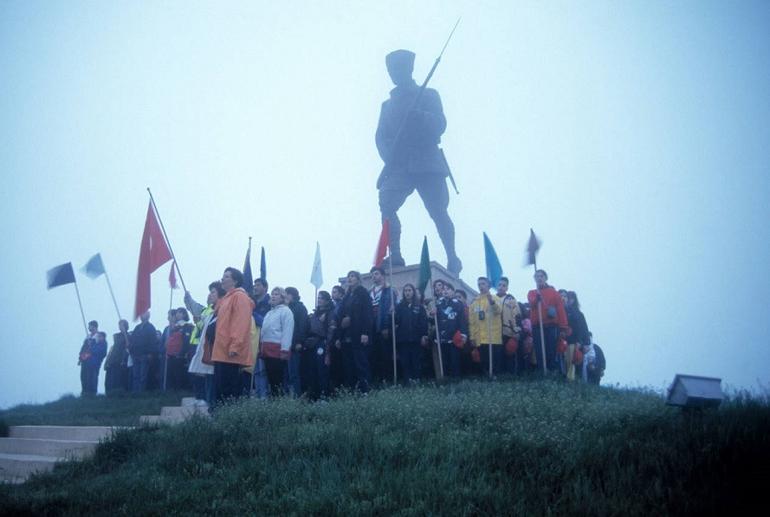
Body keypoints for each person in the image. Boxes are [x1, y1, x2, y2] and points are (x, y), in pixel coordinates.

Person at [375, 49, 462, 275]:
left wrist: (422, 117)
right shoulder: (387, 106)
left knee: (438, 211)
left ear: (409, 69)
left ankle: (452, 256)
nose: (395, 74)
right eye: (391, 70)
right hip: (400, 164)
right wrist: (390, 157)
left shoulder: (428, 94)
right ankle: (395, 254)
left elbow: (441, 123)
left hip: (427, 160)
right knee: (386, 202)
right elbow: (381, 137)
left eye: (399, 69)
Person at [211, 267, 255, 405]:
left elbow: (240, 324)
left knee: (228, 390)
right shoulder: (226, 298)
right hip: (220, 351)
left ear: (235, 281)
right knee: (220, 389)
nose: (223, 279)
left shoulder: (240, 297)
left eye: (227, 277)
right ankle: (219, 418)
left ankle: (228, 419)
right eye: (223, 276)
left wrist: (235, 346)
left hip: (230, 353)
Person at [185, 281, 225, 406]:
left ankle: (209, 402)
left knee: (211, 377)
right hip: (203, 347)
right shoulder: (208, 311)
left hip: (214, 349)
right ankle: (204, 399)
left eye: (213, 292)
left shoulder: (222, 310)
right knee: (205, 375)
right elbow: (195, 309)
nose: (210, 295)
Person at [335, 271, 373, 392]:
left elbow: (367, 314)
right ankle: (351, 391)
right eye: (348, 277)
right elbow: (340, 315)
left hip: (358, 334)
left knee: (361, 364)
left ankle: (365, 390)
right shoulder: (346, 296)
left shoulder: (363, 293)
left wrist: (365, 332)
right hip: (346, 335)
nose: (350, 279)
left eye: (352, 276)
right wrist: (338, 337)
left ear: (358, 279)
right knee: (348, 365)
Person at [526, 270, 570, 374]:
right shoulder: (532, 293)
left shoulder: (554, 293)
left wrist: (563, 327)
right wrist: (537, 299)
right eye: (537, 277)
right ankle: (542, 370)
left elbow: (560, 310)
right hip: (537, 326)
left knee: (551, 349)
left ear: (546, 278)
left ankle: (551, 370)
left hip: (551, 325)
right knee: (539, 349)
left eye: (541, 276)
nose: (539, 278)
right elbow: (531, 303)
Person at [260, 287, 294, 396]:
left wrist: (284, 350)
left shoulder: (286, 311)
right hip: (267, 350)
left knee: (277, 380)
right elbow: (264, 331)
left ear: (282, 297)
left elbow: (287, 332)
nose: (273, 296)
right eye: (272, 294)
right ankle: (273, 401)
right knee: (270, 379)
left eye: (277, 294)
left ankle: (278, 401)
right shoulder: (269, 313)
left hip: (277, 351)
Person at [302, 291, 336, 400]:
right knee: (313, 370)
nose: (319, 300)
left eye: (321, 298)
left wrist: (328, 347)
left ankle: (324, 395)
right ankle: (314, 395)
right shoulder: (315, 313)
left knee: (322, 371)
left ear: (326, 300)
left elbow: (331, 330)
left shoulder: (330, 313)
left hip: (323, 343)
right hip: (312, 344)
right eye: (318, 298)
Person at [469, 277, 503, 377]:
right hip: (480, 338)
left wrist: (491, 301)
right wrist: (472, 337)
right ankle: (487, 378)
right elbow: (472, 322)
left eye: (483, 284)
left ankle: (496, 379)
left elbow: (498, 311)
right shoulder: (474, 302)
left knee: (495, 362)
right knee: (484, 362)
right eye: (479, 284)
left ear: (488, 285)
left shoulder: (495, 298)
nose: (481, 286)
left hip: (493, 337)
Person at [394, 283, 428, 383]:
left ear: (413, 292)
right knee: (405, 360)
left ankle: (416, 378)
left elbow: (423, 322)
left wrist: (423, 335)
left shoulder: (419, 307)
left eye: (409, 290)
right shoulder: (399, 307)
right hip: (403, 338)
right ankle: (407, 379)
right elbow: (396, 322)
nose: (407, 293)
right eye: (405, 291)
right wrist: (391, 314)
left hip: (416, 338)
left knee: (416, 360)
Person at [369, 266, 395, 385]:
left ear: (382, 275)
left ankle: (387, 379)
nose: (374, 276)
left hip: (383, 324)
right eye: (373, 275)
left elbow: (389, 310)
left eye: (376, 274)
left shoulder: (389, 290)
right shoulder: (370, 291)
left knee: (385, 353)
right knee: (374, 353)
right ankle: (377, 379)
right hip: (371, 325)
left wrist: (386, 326)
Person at [435, 282, 467, 378]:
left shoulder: (458, 304)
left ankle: (456, 379)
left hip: (454, 337)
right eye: (444, 289)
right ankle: (445, 380)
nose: (445, 291)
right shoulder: (437, 303)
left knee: (455, 360)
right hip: (441, 337)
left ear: (452, 291)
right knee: (444, 360)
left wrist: (463, 334)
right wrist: (432, 315)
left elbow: (462, 320)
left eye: (448, 289)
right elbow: (434, 320)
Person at [248, 278, 271, 398]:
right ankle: (257, 394)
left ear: (265, 287)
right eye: (254, 285)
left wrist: (251, 313)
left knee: (263, 370)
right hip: (252, 340)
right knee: (255, 370)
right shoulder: (253, 302)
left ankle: (264, 397)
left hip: (264, 341)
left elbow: (265, 322)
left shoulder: (270, 303)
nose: (255, 287)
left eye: (258, 285)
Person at [284, 287, 308, 397]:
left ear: (292, 295)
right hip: (285, 346)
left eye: (287, 294)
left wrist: (300, 341)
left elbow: (302, 326)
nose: (285, 296)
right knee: (286, 374)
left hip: (294, 345)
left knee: (294, 373)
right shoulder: (285, 308)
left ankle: (297, 397)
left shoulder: (300, 308)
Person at [496, 277, 522, 375]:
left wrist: (517, 331)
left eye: (504, 285)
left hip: (508, 331)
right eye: (499, 285)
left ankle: (511, 374)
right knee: (498, 354)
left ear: (507, 288)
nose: (501, 287)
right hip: (495, 332)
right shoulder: (492, 299)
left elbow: (517, 316)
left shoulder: (511, 299)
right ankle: (499, 374)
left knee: (509, 353)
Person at [564, 291, 590, 382]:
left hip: (574, 342)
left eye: (571, 298)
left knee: (573, 363)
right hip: (564, 341)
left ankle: (571, 382)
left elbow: (583, 329)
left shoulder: (578, 314)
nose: (569, 300)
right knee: (566, 362)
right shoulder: (563, 311)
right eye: (568, 297)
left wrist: (584, 342)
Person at [130, 312, 158, 392]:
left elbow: (153, 341)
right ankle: (135, 393)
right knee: (135, 375)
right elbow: (133, 339)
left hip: (145, 355)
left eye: (144, 314)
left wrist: (151, 353)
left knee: (143, 376)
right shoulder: (137, 327)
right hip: (135, 354)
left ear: (148, 316)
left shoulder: (151, 327)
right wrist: (131, 350)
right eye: (141, 314)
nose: (142, 315)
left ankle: (141, 393)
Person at [104, 320, 130, 394]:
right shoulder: (117, 336)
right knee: (111, 379)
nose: (120, 327)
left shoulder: (128, 335)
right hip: (113, 359)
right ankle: (110, 392)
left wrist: (125, 333)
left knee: (119, 378)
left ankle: (119, 392)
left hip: (121, 360)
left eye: (122, 325)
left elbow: (128, 344)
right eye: (119, 325)